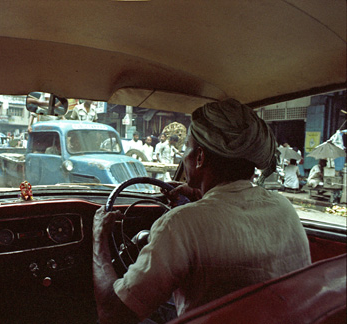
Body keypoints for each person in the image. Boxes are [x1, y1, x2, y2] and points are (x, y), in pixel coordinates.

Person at [92, 99, 311, 324]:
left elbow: (112, 313)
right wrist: (204, 197)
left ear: (200, 157)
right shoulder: (283, 207)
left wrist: (99, 236)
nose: (182, 157)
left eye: (186, 148)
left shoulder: (182, 223)